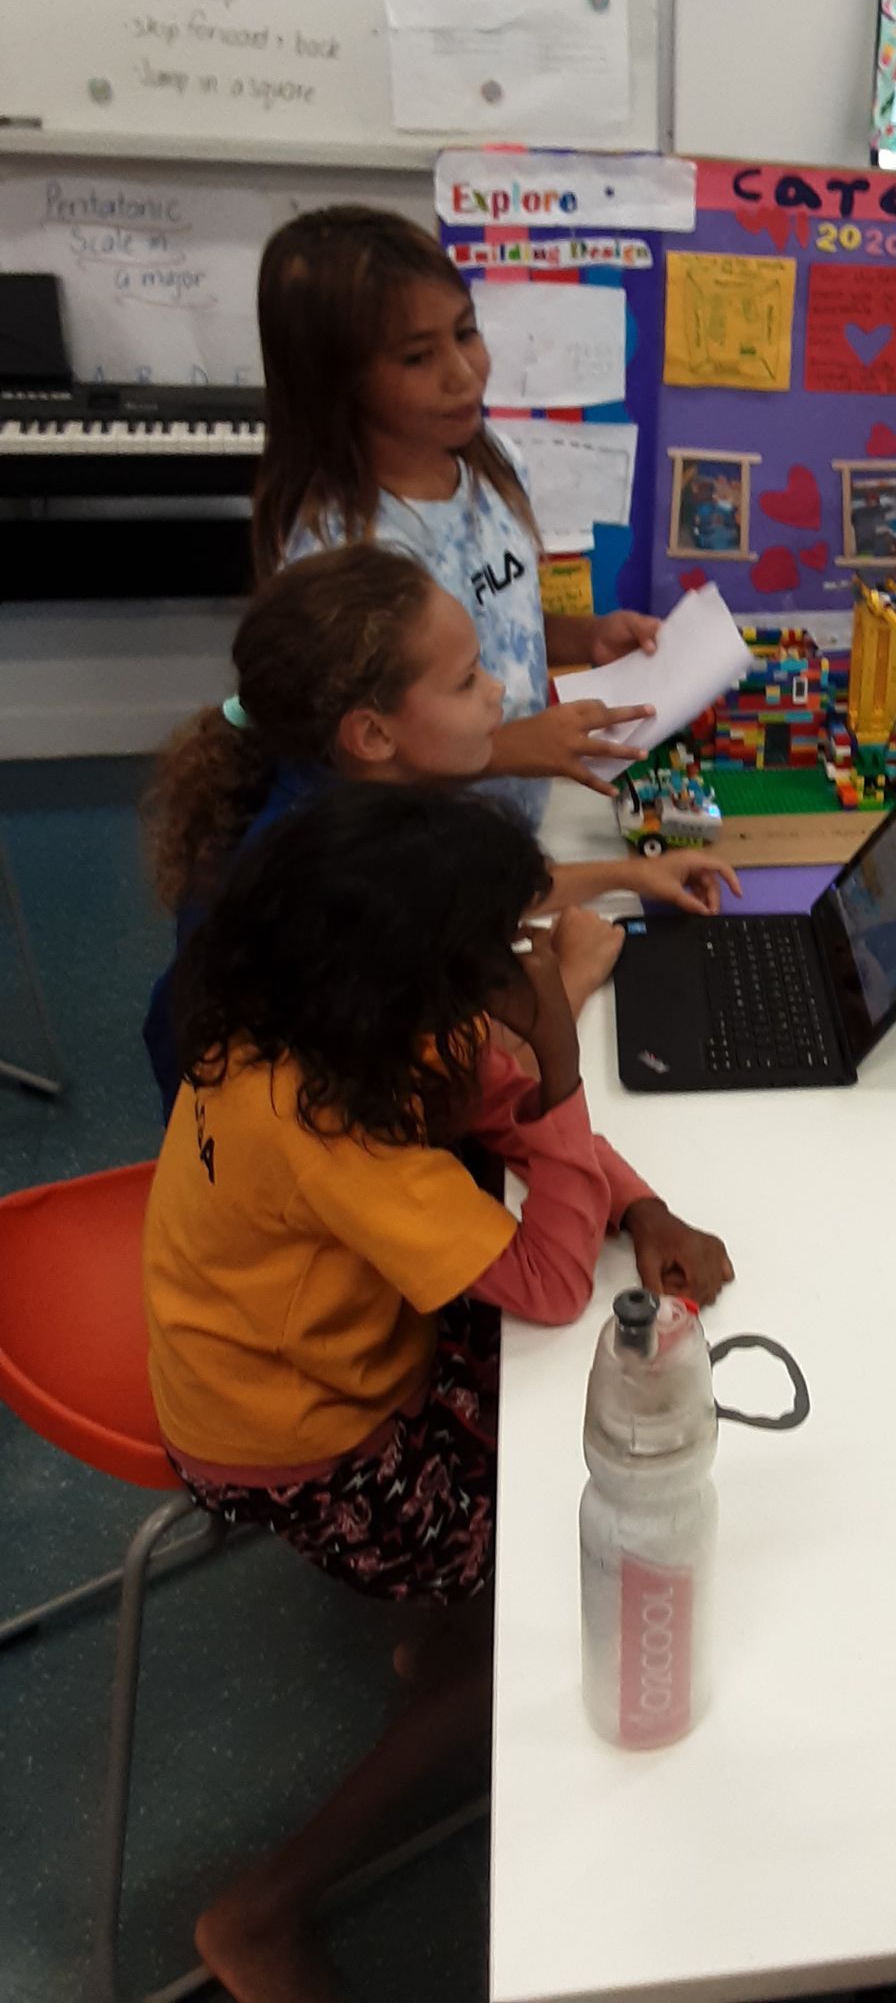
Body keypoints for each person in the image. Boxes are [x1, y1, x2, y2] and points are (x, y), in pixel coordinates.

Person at [145, 784, 731, 2002]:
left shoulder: (304, 1016)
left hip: (291, 1346)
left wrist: (642, 1202)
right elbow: (550, 1281)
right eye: (495, 966)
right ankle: (263, 1907)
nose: (512, 983)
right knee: (547, 1590)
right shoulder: (324, 1124)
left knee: (576, 1417)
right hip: (301, 1439)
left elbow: (496, 1109)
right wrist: (562, 1053)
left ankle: (452, 1613)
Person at [141, 545, 742, 1118]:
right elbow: (460, 1103)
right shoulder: (341, 886)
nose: (497, 690)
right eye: (466, 681)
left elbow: (471, 887)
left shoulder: (322, 786)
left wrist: (630, 873)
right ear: (372, 735)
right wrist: (572, 978)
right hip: (291, 1186)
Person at [250, 204, 658, 825]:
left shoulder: (495, 464)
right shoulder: (340, 553)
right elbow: (352, 753)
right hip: (415, 855)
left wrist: (585, 635)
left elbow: (481, 624)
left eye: (466, 334)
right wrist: (511, 749)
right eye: (417, 358)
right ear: (336, 381)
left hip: (511, 830)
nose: (464, 375)